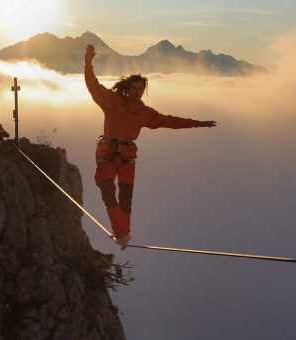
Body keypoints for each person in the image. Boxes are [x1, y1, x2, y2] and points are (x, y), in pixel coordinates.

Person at [84, 44, 216, 250]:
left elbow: (170, 121)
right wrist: (88, 62)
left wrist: (198, 123)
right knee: (107, 188)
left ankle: (123, 234)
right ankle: (122, 232)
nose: (138, 92)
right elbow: (92, 84)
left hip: (126, 155)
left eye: (141, 89)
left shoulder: (144, 112)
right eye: (134, 88)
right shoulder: (111, 100)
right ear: (126, 88)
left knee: (126, 197)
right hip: (108, 152)